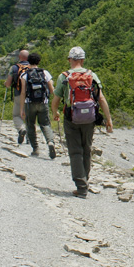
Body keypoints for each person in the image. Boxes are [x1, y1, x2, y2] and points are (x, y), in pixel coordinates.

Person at [51, 46, 114, 198]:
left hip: (71, 117)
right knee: (87, 149)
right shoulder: (91, 75)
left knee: (75, 151)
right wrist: (108, 119)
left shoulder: (64, 76)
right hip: (89, 118)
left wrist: (55, 112)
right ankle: (85, 182)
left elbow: (56, 99)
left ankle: (81, 187)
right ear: (83, 60)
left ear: (70, 59)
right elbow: (101, 98)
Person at [18, 52, 56, 159]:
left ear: (28, 62)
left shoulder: (24, 75)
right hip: (43, 103)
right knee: (45, 124)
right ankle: (50, 142)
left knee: (30, 125)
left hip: (30, 103)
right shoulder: (45, 73)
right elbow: (52, 89)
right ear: (39, 61)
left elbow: (23, 93)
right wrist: (55, 104)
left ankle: (35, 149)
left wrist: (22, 109)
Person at [4, 49, 30, 145]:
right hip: (31, 96)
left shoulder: (14, 68)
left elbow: (8, 83)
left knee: (16, 115)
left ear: (19, 57)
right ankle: (29, 137)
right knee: (28, 116)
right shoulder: (33, 67)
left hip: (18, 94)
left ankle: (21, 129)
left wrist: (5, 84)